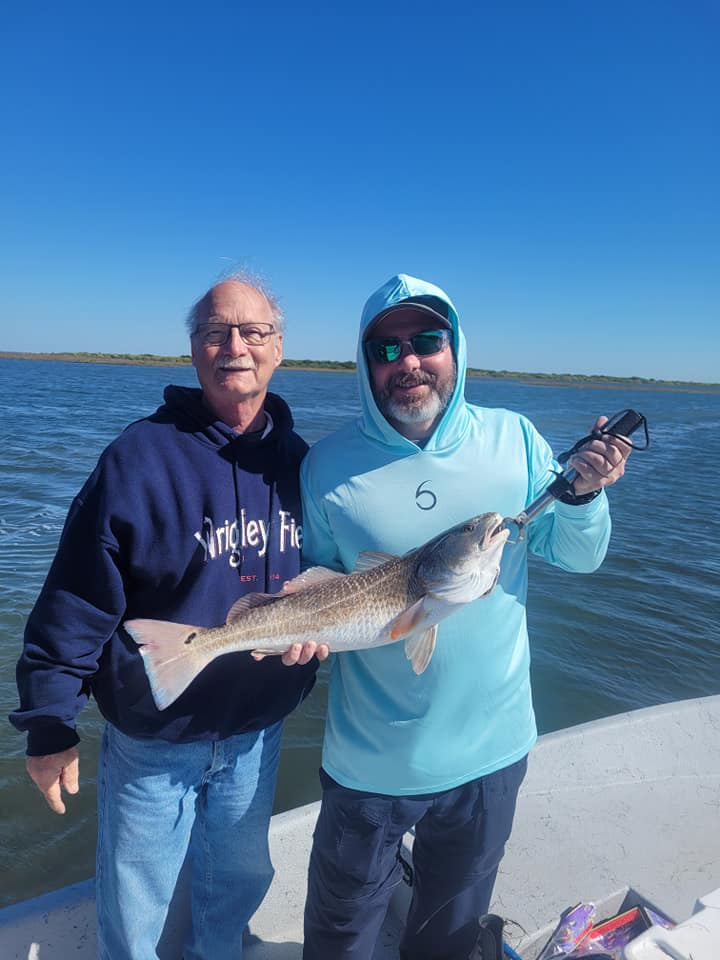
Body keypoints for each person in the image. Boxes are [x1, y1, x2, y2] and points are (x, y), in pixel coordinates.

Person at [297, 273, 633, 960]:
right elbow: (318, 585)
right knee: (338, 942)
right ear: (366, 366)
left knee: (446, 943)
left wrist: (585, 496)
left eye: (427, 340)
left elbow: (577, 555)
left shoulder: (514, 439)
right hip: (369, 766)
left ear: (455, 348)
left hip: (491, 755)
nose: (409, 361)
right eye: (387, 350)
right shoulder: (326, 468)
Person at [10, 274, 321, 960]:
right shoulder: (137, 459)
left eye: (253, 331)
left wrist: (320, 641)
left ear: (279, 348)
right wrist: (49, 722)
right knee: (136, 904)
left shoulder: (303, 466)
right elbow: (76, 597)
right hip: (154, 738)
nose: (234, 345)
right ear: (194, 349)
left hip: (256, 733)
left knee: (236, 887)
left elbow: (328, 583)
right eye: (216, 331)